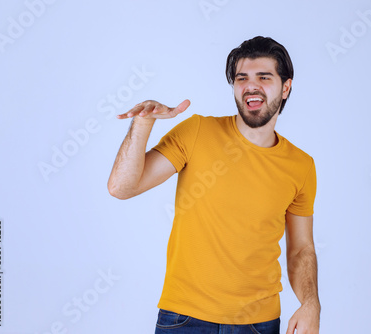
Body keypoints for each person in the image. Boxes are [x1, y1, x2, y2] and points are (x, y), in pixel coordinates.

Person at [108, 36, 320, 334]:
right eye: (241, 77)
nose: (251, 85)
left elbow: (301, 250)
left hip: (259, 324)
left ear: (286, 87)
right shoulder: (197, 132)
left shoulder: (301, 165)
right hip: (183, 319)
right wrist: (143, 123)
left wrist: (311, 304)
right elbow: (121, 187)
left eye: (264, 77)